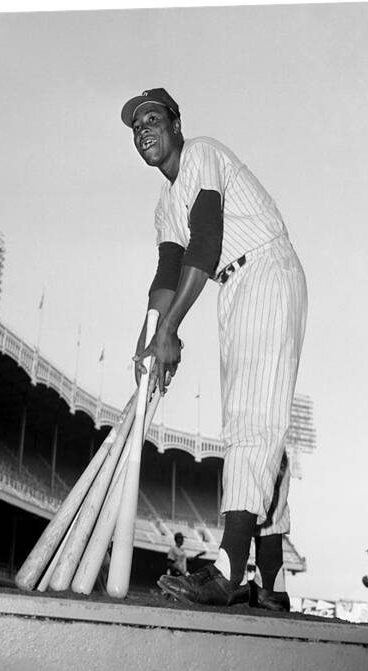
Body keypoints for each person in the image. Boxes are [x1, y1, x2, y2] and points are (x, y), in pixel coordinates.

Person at [122, 88, 307, 611]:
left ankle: (228, 569)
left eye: (153, 119)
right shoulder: (165, 204)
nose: (144, 131)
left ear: (177, 125)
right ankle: (272, 587)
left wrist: (171, 331)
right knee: (258, 423)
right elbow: (166, 272)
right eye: (136, 127)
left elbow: (204, 240)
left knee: (252, 422)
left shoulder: (201, 152)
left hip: (265, 267)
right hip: (236, 286)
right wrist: (150, 334)